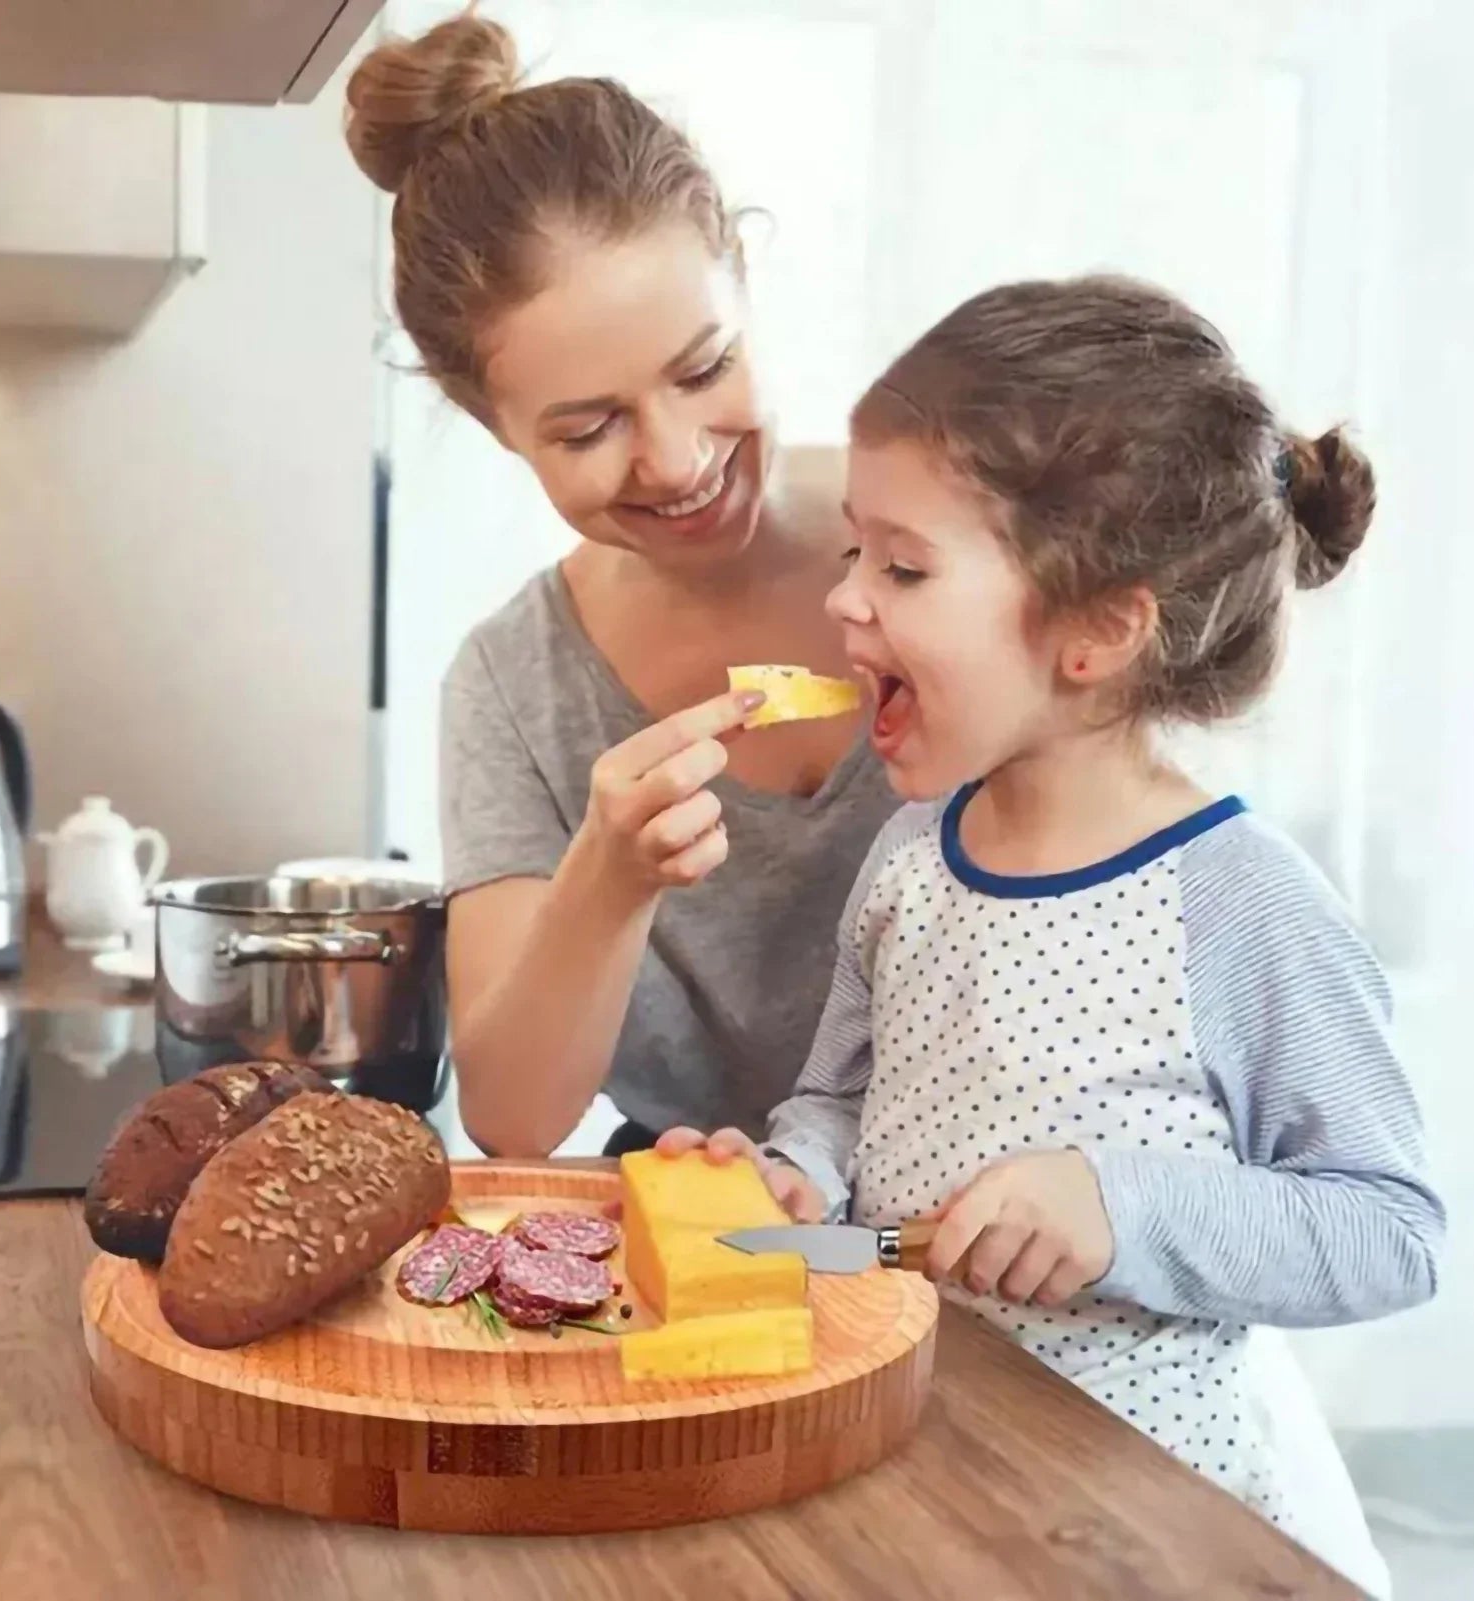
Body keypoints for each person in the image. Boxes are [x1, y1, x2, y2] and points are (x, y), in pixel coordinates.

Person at [659, 276, 1445, 1596]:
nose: (847, 600)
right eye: (856, 550)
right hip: (932, 1481)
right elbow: (844, 1100)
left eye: (903, 567)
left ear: (1097, 630)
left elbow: (1388, 1231)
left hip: (1143, 1538)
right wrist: (794, 1179)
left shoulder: (1242, 903)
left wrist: (1121, 1205)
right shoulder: (913, 853)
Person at [342, 16, 896, 1159]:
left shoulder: (955, 539)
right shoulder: (512, 685)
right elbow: (511, 1119)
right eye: (588, 427)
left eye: (703, 369)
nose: (677, 459)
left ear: (743, 281)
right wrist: (608, 873)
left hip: (1020, 1241)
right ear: (495, 426)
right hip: (725, 1242)